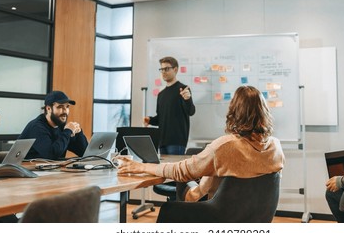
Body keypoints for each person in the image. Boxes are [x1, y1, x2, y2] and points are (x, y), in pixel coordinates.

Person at [119, 85, 285, 202]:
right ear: (264, 111)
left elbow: (178, 171)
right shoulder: (275, 147)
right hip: (254, 219)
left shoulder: (225, 146)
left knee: (177, 195)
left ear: (234, 111)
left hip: (217, 217)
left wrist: (140, 166)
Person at [144, 56, 195, 155]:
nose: (163, 72)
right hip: (162, 142)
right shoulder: (161, 94)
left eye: (167, 69)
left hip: (177, 142)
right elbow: (161, 119)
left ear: (175, 69)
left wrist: (187, 99)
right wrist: (149, 120)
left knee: (175, 170)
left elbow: (191, 111)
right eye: (161, 69)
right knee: (164, 170)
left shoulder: (183, 89)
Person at [18, 90, 88, 160]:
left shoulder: (61, 126)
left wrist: (79, 134)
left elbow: (84, 152)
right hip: (25, 169)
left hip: (50, 169)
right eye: (60, 107)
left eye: (67, 107)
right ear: (48, 109)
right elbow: (51, 155)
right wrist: (67, 131)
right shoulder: (37, 127)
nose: (65, 111)